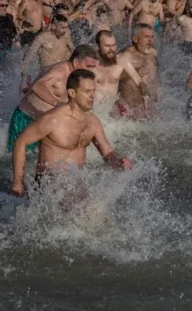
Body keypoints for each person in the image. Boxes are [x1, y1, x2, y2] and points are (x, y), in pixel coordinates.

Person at [11, 69, 132, 197]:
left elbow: (107, 152)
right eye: (87, 91)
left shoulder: (92, 122)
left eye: (93, 91)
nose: (92, 96)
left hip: (75, 183)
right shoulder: (53, 119)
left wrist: (119, 161)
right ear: (72, 92)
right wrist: (18, 182)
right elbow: (21, 142)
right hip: (49, 183)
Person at [8, 45, 99, 153]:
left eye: (93, 67)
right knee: (18, 159)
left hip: (46, 124)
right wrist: (57, 104)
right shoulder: (60, 71)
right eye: (88, 66)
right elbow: (37, 86)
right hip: (26, 119)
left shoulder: (76, 77)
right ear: (75, 62)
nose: (92, 71)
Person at [93, 30, 148, 114]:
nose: (112, 49)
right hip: (95, 110)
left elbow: (139, 82)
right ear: (98, 47)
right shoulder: (90, 64)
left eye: (114, 45)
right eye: (107, 46)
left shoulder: (122, 61)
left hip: (112, 111)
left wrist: (145, 98)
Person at [117, 23, 160, 116]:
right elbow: (112, 79)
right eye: (146, 37)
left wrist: (158, 91)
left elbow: (156, 73)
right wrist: (134, 72)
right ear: (135, 39)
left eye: (152, 37)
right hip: (127, 107)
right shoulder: (125, 56)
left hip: (145, 106)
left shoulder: (153, 53)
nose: (150, 40)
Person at [20, 14, 73, 89]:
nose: (65, 31)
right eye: (62, 27)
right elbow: (27, 58)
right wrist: (24, 80)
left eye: (66, 27)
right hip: (46, 76)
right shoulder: (42, 38)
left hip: (62, 76)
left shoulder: (66, 37)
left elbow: (75, 53)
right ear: (54, 26)